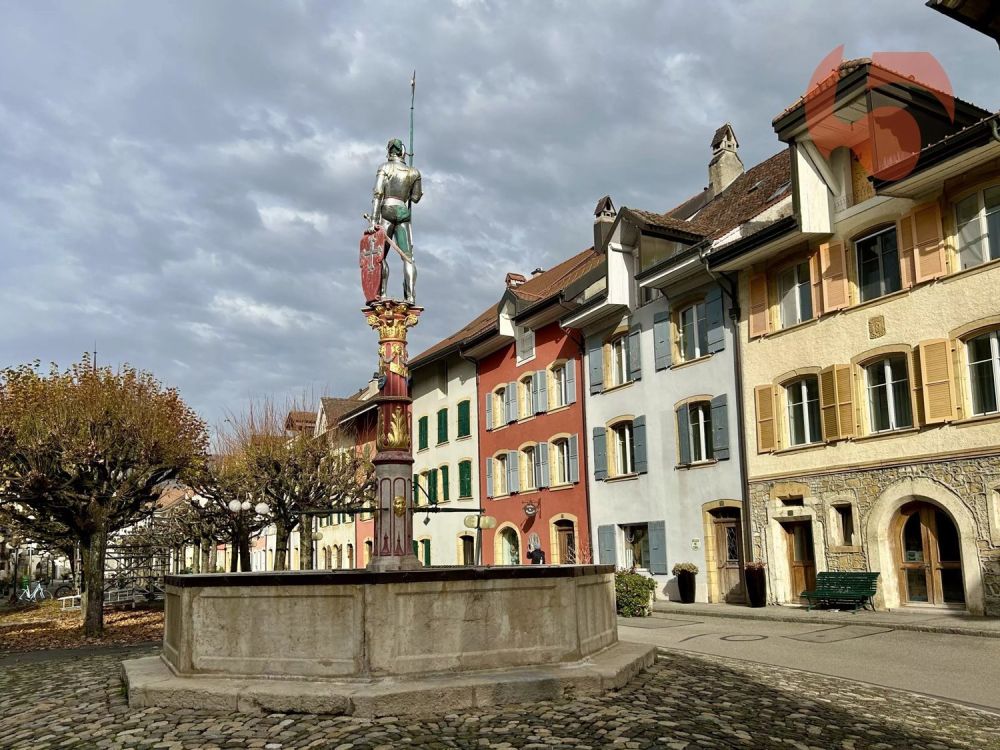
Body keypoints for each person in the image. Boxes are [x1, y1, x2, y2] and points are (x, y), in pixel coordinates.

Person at [370, 138, 423, 304]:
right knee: (408, 258)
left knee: (380, 256)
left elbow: (378, 193)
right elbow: (415, 198)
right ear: (402, 152)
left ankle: (382, 293)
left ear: (389, 151)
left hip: (386, 210)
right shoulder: (413, 172)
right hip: (403, 211)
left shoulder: (384, 167)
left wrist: (373, 220)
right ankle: (411, 296)